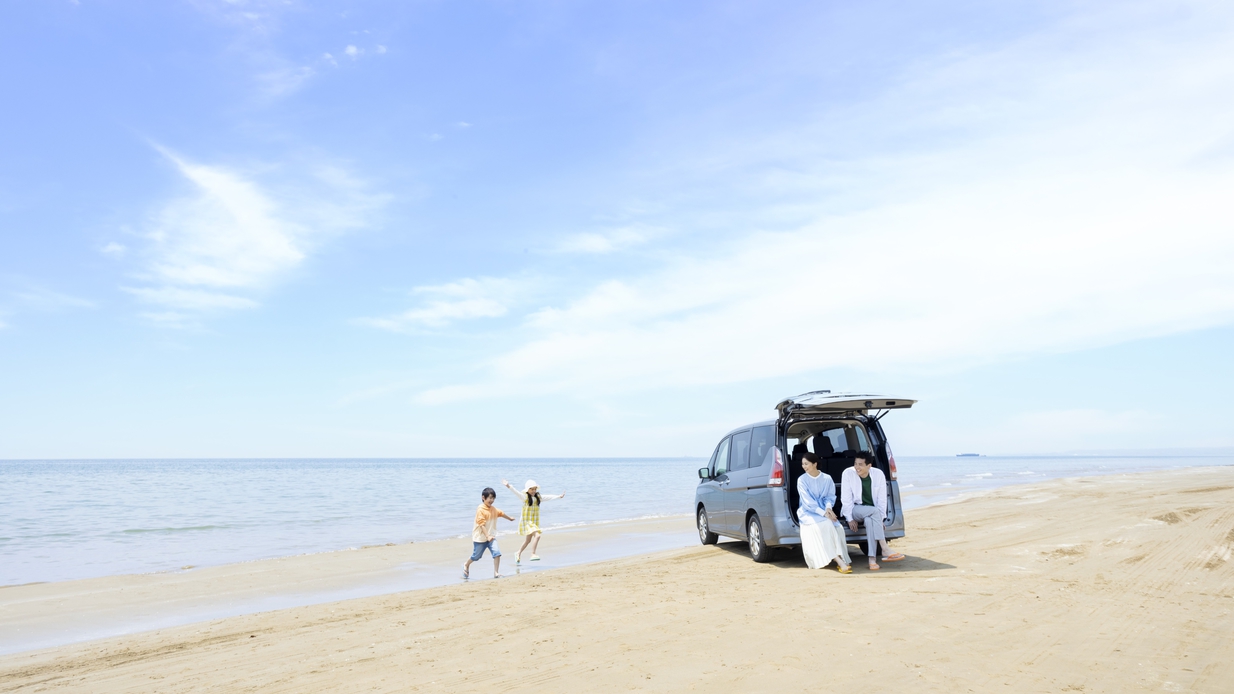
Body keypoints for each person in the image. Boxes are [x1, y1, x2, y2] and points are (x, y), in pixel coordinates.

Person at [840, 455, 906, 570]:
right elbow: (846, 499)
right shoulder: (848, 473)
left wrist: (879, 521)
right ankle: (884, 548)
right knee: (874, 512)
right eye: (855, 464)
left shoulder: (878, 474)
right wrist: (849, 518)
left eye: (860, 464)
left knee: (870, 521)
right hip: (855, 509)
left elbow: (882, 500)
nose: (857, 467)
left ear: (869, 466)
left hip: (872, 513)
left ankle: (872, 560)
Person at [797, 451, 852, 573]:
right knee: (827, 524)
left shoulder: (827, 478)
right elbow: (807, 502)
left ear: (815, 464)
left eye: (806, 464)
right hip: (808, 512)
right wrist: (824, 513)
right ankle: (839, 561)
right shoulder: (802, 480)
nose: (804, 466)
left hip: (824, 510)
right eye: (802, 464)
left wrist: (828, 509)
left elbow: (830, 497)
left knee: (838, 527)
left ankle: (842, 557)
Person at [501, 479, 565, 563]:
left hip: (534, 522)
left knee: (528, 541)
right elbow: (516, 493)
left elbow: (547, 497)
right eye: (532, 489)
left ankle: (518, 553)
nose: (534, 491)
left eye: (535, 489)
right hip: (527, 522)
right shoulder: (525, 497)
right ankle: (533, 554)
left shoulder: (538, 497)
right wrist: (508, 486)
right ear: (527, 490)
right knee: (537, 536)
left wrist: (558, 496)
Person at [463, 487, 514, 579]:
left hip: (491, 538)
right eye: (490, 498)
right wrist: (487, 536)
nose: (492, 500)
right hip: (480, 538)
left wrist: (509, 518)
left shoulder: (493, 509)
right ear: (483, 497)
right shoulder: (480, 509)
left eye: (493, 498)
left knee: (497, 553)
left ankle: (496, 573)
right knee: (476, 556)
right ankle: (466, 564)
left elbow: (501, 513)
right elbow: (482, 525)